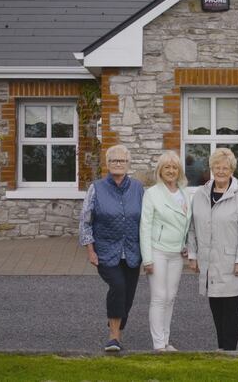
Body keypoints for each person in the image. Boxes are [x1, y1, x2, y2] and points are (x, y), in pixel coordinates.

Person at [187, 147, 238, 351]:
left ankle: (230, 351)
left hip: (231, 261)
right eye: (217, 167)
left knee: (231, 308)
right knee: (215, 305)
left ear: (232, 169)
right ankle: (221, 348)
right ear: (212, 168)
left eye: (225, 167)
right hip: (208, 261)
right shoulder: (200, 194)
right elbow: (192, 227)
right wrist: (192, 255)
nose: (221, 171)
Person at [79, 144, 144, 352]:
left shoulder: (138, 188)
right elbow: (85, 221)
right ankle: (113, 337)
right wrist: (90, 249)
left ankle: (117, 328)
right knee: (118, 286)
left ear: (128, 164)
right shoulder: (96, 188)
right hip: (105, 251)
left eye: (122, 161)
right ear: (107, 164)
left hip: (133, 252)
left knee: (129, 295)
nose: (118, 163)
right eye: (114, 160)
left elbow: (146, 220)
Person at [139, 150, 192, 352]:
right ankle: (158, 344)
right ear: (160, 171)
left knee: (171, 297)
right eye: (167, 167)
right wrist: (148, 259)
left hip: (177, 253)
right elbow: (145, 226)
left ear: (179, 171)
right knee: (159, 297)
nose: (171, 171)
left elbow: (187, 224)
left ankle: (166, 340)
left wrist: (187, 245)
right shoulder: (152, 194)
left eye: (174, 167)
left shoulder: (185, 193)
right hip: (157, 251)